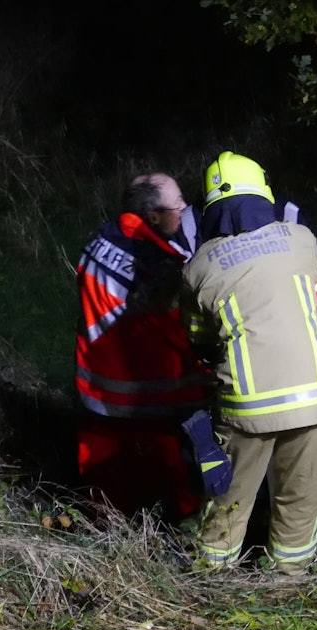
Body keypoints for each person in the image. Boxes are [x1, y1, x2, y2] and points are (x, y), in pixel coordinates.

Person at [182, 151, 317, 575]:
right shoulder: (302, 239)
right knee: (300, 500)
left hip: (247, 407)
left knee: (228, 503)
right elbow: (309, 297)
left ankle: (209, 581)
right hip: (314, 400)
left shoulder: (198, 267)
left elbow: (198, 338)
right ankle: (288, 583)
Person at [75, 172, 212, 522]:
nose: (183, 213)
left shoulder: (98, 239)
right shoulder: (166, 264)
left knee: (103, 483)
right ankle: (184, 541)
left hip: (96, 390)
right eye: (178, 207)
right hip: (155, 399)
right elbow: (187, 329)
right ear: (153, 215)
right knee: (181, 483)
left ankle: (102, 537)